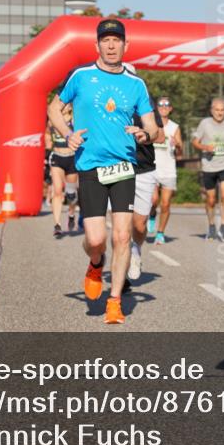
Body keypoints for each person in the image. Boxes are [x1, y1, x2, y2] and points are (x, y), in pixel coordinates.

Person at [48, 18, 157, 324]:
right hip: (90, 166)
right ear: (97, 45)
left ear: (126, 45)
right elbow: (53, 108)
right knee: (96, 239)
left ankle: (114, 301)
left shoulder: (136, 84)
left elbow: (151, 125)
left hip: (123, 167)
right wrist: (67, 132)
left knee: (122, 237)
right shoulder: (81, 77)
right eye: (106, 41)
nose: (111, 46)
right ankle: (96, 263)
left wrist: (144, 133)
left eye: (117, 40)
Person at [128, 99, 166, 281]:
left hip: (144, 169)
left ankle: (135, 250)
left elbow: (161, 137)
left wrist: (143, 134)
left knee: (139, 224)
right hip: (117, 167)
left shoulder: (146, 103)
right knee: (120, 224)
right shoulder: (108, 101)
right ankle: (122, 265)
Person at [192, 98, 224, 241]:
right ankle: (211, 226)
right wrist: (206, 148)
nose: (219, 113)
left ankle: (223, 227)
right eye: (217, 110)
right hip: (209, 165)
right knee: (211, 199)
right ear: (212, 110)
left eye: (222, 110)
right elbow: (195, 142)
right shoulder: (204, 124)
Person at [150, 96, 182, 244]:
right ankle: (151, 214)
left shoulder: (174, 127)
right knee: (153, 200)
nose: (163, 107)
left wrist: (178, 145)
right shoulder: (152, 125)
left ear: (170, 109)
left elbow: (180, 154)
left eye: (166, 105)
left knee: (166, 203)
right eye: (161, 105)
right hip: (153, 168)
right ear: (156, 108)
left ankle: (160, 233)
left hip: (168, 170)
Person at [46, 104, 79, 236]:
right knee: (58, 190)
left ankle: (71, 214)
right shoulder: (52, 120)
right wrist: (48, 142)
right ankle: (57, 224)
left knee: (71, 193)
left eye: (66, 104)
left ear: (70, 107)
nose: (63, 106)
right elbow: (48, 133)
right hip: (57, 157)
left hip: (71, 158)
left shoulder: (75, 119)